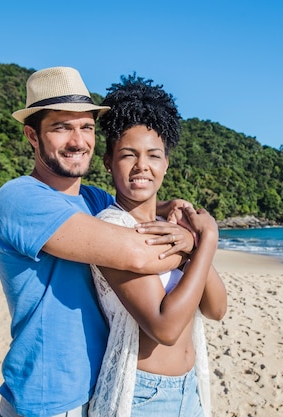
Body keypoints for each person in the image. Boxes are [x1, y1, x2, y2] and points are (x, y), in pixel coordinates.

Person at [0, 67, 198, 417]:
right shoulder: (21, 198)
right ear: (32, 135)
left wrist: (167, 207)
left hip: (100, 386)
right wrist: (194, 241)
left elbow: (135, 205)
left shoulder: (92, 200)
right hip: (48, 397)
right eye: (61, 127)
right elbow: (139, 254)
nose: (77, 140)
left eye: (86, 127)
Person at [87, 74, 227, 417]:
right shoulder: (112, 227)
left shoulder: (171, 228)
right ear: (108, 162)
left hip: (190, 387)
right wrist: (205, 240)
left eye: (153, 155)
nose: (142, 166)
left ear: (166, 163)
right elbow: (164, 327)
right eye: (127, 155)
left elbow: (216, 309)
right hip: (142, 395)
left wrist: (192, 247)